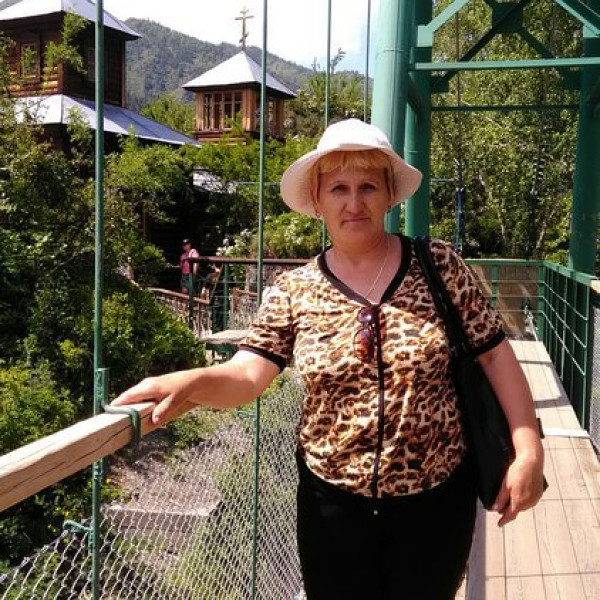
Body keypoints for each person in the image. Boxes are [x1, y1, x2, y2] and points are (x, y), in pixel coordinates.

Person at [112, 119, 545, 600]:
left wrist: (528, 450)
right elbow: (248, 374)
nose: (353, 202)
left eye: (368, 187)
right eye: (338, 188)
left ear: (389, 196)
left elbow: (495, 356)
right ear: (317, 201)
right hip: (332, 507)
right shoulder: (295, 290)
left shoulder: (438, 265)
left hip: (435, 502)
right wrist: (190, 382)